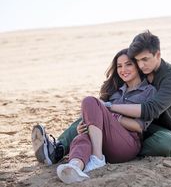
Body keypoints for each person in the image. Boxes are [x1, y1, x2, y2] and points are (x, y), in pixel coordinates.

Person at [32, 30, 171, 167]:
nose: (140, 65)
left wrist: (109, 108)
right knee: (93, 111)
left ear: (158, 54)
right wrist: (98, 114)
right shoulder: (140, 70)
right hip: (127, 123)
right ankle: (58, 149)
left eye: (144, 59)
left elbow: (149, 110)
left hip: (159, 128)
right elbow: (101, 107)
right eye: (137, 60)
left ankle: (125, 150)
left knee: (169, 143)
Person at [33, 48, 157, 183]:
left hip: (127, 145)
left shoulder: (148, 91)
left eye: (128, 64)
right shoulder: (114, 92)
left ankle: (97, 158)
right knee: (83, 136)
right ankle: (75, 166)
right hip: (106, 144)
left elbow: (139, 127)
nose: (123, 69)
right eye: (119, 66)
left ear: (137, 66)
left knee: (90, 101)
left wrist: (113, 117)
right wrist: (85, 127)